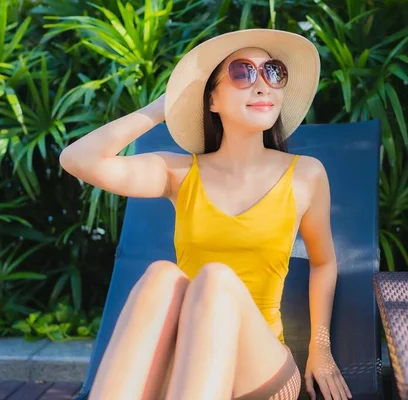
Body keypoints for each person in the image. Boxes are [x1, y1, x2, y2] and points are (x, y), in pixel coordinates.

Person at [59, 29, 352, 400]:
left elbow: (323, 262)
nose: (263, 86)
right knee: (162, 275)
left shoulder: (307, 175)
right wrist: (158, 109)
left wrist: (320, 349)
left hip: (261, 372)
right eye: (243, 73)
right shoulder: (180, 174)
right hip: (183, 368)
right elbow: (77, 159)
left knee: (215, 279)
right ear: (211, 99)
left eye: (273, 72)